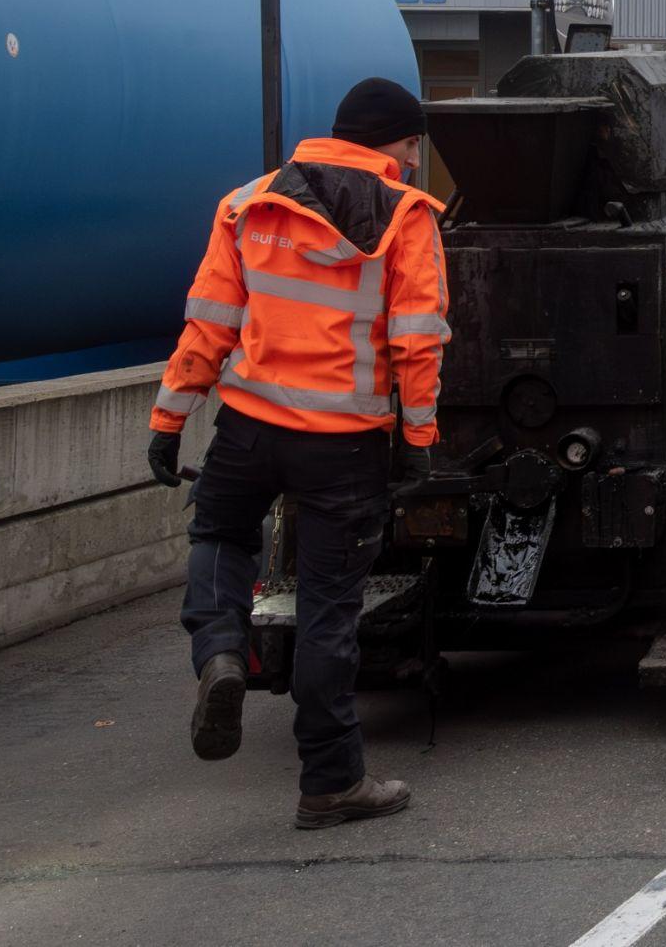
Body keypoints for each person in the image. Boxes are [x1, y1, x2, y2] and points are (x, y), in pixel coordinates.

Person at [146, 77, 449, 830]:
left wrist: (169, 418)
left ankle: (221, 652)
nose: (415, 161)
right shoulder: (407, 215)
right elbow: (417, 339)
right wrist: (418, 440)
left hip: (247, 428)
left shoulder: (248, 202)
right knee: (326, 610)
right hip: (343, 444)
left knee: (220, 536)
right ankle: (331, 781)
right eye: (413, 146)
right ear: (398, 142)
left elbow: (208, 323)